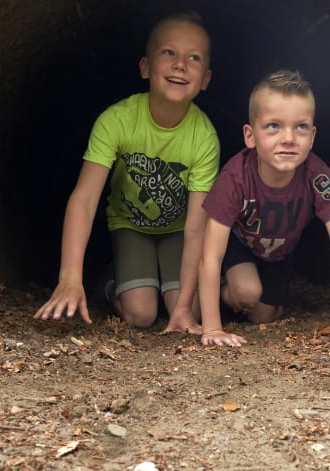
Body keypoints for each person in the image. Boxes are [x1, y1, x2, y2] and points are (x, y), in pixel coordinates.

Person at [34, 11, 219, 334]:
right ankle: (109, 282)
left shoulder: (204, 136)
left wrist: (186, 308)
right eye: (168, 53)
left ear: (205, 79)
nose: (180, 65)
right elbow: (86, 198)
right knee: (141, 314)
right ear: (145, 67)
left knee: (186, 308)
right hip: (130, 225)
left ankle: (167, 289)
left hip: (176, 230)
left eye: (194, 58)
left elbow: (195, 229)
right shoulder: (117, 120)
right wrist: (69, 276)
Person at [199, 70, 330, 347]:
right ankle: (218, 297)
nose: (288, 138)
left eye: (300, 127)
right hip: (239, 246)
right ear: (250, 136)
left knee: (263, 316)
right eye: (273, 126)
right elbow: (211, 254)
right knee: (246, 292)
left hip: (280, 254)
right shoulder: (236, 177)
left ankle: (259, 298)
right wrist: (212, 329)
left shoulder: (317, 176)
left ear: (311, 137)